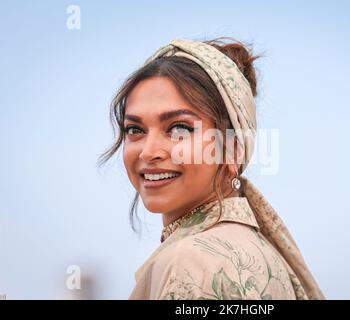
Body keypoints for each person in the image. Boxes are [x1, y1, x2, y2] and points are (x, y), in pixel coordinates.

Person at [99, 37, 325, 300]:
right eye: (134, 129)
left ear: (233, 148)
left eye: (179, 128)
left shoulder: (192, 264)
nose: (149, 151)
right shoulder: (257, 251)